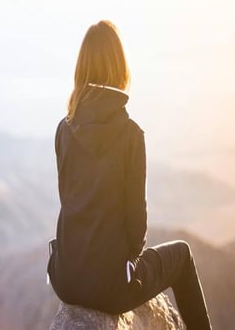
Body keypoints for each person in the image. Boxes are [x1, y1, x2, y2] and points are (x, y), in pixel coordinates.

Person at [47, 20, 212, 329]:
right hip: (112, 288)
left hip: (65, 278)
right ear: (120, 67)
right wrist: (129, 257)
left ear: (81, 69)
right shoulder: (130, 135)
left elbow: (70, 201)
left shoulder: (63, 129)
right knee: (184, 255)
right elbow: (136, 225)